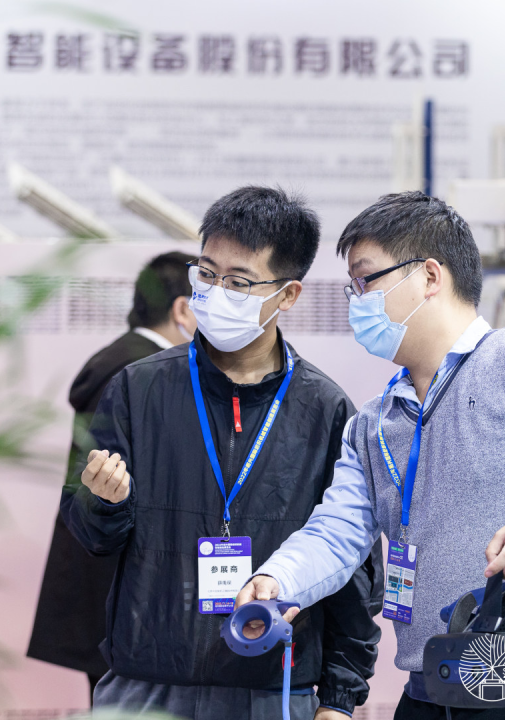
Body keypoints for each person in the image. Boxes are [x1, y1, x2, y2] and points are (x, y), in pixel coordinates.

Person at [237, 191, 505, 720]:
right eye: (352, 286)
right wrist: (277, 579)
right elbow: (336, 532)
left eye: (366, 280)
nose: (356, 300)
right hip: (428, 691)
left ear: (429, 276)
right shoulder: (372, 423)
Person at [61, 186, 383, 720]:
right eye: (207, 274)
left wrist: (340, 698)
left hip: (273, 687)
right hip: (145, 685)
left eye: (238, 282)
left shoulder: (324, 410)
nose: (214, 292)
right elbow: (92, 537)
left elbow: (351, 564)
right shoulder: (139, 389)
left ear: (288, 295)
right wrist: (105, 502)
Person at [28, 250, 197, 698]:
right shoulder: (142, 372)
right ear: (182, 309)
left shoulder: (124, 360)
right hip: (117, 587)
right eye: (209, 297)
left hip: (104, 578)